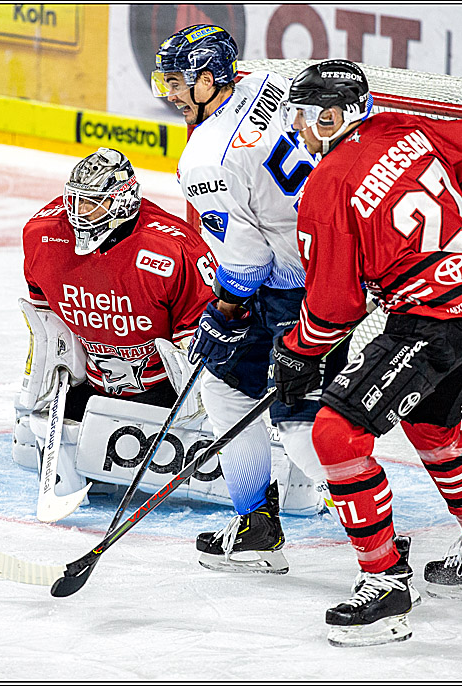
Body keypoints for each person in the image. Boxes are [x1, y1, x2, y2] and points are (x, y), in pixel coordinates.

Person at [272, 59, 462, 647]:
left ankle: (384, 586)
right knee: (432, 429)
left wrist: (297, 353)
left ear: (330, 116)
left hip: (437, 316)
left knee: (336, 433)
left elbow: (336, 308)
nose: (298, 126)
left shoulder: (327, 186)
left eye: (304, 115)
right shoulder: (400, 127)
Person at [150, 24, 352, 574]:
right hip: (330, 263)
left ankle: (378, 547)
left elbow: (244, 264)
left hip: (296, 288)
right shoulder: (266, 82)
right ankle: (257, 525)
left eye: (177, 82)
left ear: (210, 79)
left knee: (300, 423)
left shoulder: (204, 159)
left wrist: (224, 310)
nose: (169, 94)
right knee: (227, 389)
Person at [20, 146, 215, 425]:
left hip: (161, 393)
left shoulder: (173, 248)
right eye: (75, 200)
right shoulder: (43, 235)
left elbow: (195, 341)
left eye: (92, 203)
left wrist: (198, 411)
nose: (78, 212)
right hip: (89, 388)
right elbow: (46, 324)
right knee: (32, 439)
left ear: (122, 202)